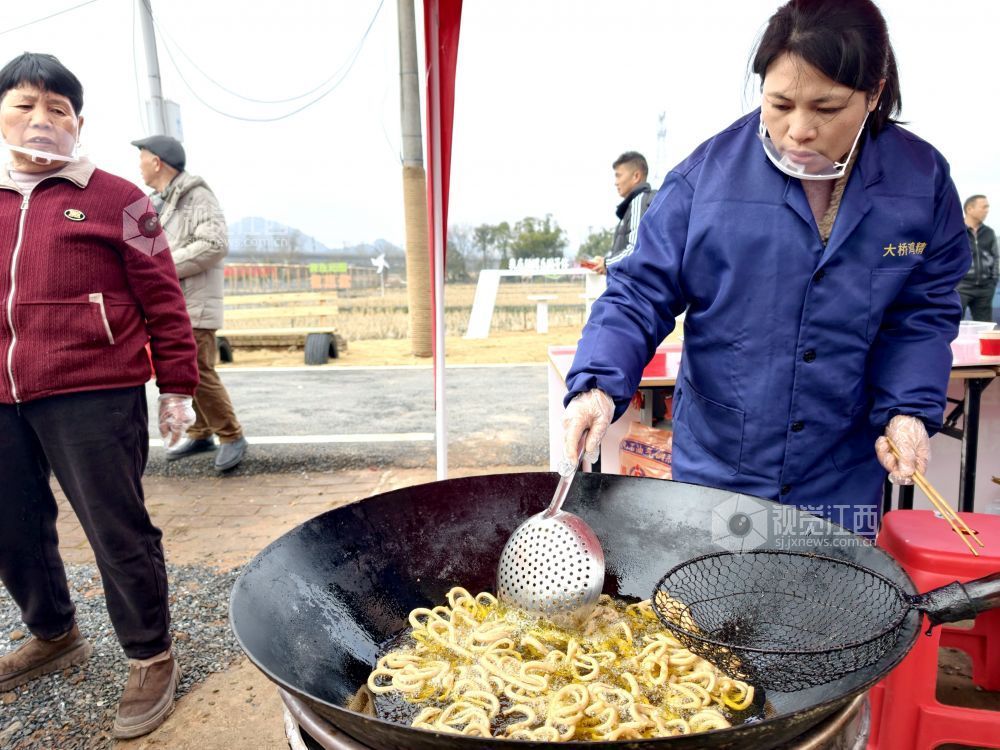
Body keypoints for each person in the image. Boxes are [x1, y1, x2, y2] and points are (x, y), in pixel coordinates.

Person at [562, 0, 970, 537]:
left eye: (826, 108)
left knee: (827, 611)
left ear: (874, 92)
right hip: (720, 464)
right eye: (780, 104)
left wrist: (907, 410)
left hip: (839, 469)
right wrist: (596, 384)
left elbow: (920, 313)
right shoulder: (705, 181)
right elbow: (637, 294)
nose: (798, 130)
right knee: (710, 611)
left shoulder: (920, 183)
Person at [0, 53, 198, 738]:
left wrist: (177, 386)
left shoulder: (124, 200)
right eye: (26, 104)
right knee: (13, 527)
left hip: (95, 392)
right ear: (1, 114)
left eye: (58, 109)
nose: (41, 120)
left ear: (78, 124)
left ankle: (152, 655)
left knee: (117, 529)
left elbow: (164, 298)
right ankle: (53, 633)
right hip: (1, 394)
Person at [132, 134, 248, 471]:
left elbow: (213, 243)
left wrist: (163, 266)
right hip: (174, 304)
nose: (138, 166)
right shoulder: (162, 201)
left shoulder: (196, 196)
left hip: (194, 304)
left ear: (157, 161)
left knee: (197, 370)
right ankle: (201, 432)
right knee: (181, 369)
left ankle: (231, 435)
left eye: (141, 158)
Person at [590, 151, 656, 275]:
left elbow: (635, 249)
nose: (616, 182)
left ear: (636, 176)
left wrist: (607, 263)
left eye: (618, 176)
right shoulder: (634, 205)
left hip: (634, 291)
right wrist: (606, 261)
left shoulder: (639, 201)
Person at [958, 195, 998, 322]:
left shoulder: (989, 232)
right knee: (953, 326)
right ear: (970, 209)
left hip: (985, 289)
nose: (987, 210)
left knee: (984, 329)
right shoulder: (956, 231)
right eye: (984, 207)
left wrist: (993, 281)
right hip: (961, 288)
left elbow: (996, 257)